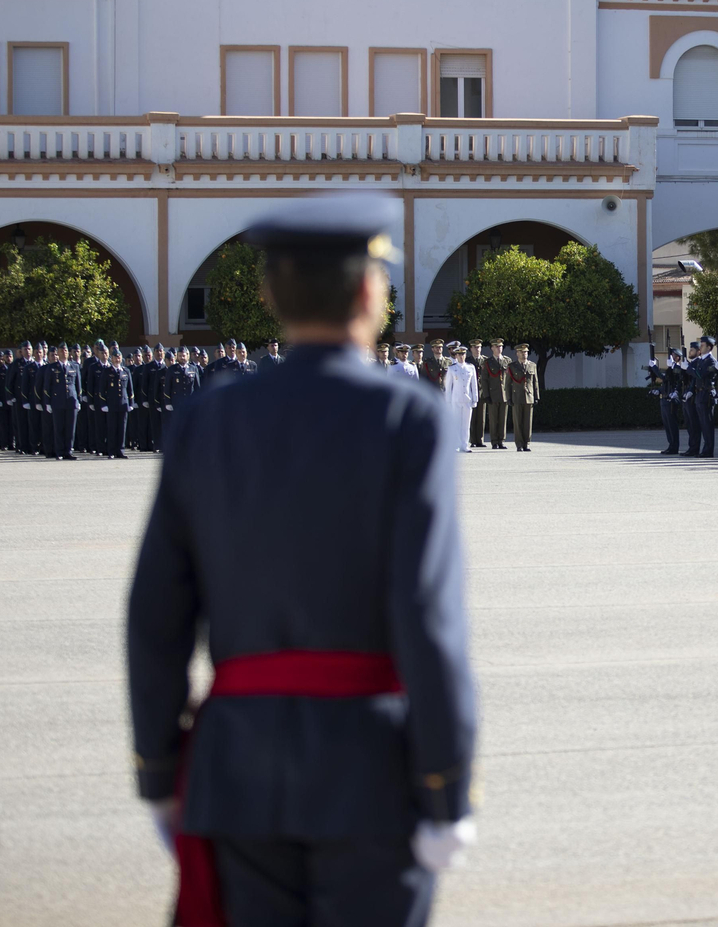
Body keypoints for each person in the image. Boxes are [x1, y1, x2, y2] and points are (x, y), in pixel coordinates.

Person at [127, 196, 476, 927]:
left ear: (269, 297)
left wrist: (160, 769)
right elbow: (427, 613)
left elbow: (157, 612)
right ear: (368, 291)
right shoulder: (407, 415)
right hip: (369, 769)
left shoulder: (207, 416)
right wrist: (446, 786)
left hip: (237, 764)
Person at [443, 343, 478, 452]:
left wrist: (475, 398)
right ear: (456, 356)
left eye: (463, 354)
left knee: (466, 424)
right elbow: (448, 386)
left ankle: (465, 444)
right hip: (456, 399)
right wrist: (447, 401)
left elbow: (474, 384)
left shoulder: (470, 367)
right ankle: (457, 444)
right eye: (459, 354)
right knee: (457, 422)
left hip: (467, 399)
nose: (461, 356)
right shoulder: (452, 369)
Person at [508, 343, 539, 451]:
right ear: (517, 353)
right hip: (517, 396)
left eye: (525, 352)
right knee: (518, 422)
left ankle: (527, 443)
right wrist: (508, 397)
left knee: (527, 422)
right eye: (521, 352)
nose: (524, 354)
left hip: (529, 396)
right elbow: (508, 383)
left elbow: (535, 382)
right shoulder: (512, 366)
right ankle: (519, 444)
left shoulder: (532, 365)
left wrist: (536, 396)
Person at [481, 339, 511, 450]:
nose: (499, 348)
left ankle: (501, 440)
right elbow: (484, 380)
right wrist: (486, 394)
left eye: (500, 346)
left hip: (504, 394)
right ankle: (494, 441)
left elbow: (509, 379)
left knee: (503, 419)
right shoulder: (488, 363)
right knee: (493, 419)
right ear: (492, 348)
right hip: (493, 394)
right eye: (496, 346)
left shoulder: (507, 361)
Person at [104, 348, 134, 458]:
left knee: (122, 429)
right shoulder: (107, 371)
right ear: (111, 359)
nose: (117, 359)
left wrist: (131, 402)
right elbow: (102, 389)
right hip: (111, 404)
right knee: (112, 428)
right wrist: (104, 404)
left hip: (123, 404)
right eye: (115, 357)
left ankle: (121, 451)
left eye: (119, 357)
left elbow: (130, 389)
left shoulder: (126, 371)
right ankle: (111, 451)